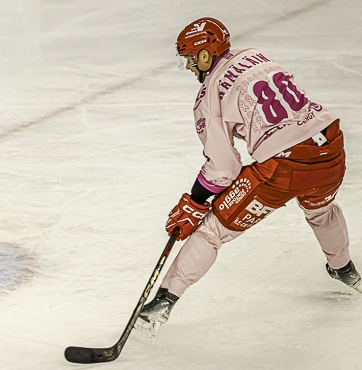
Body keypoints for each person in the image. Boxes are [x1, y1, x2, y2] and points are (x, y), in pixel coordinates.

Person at [138, 17, 356, 328]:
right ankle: (344, 269)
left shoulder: (208, 95)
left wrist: (195, 201)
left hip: (285, 164)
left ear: (203, 55)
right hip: (331, 146)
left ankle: (163, 302)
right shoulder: (254, 55)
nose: (188, 67)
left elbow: (223, 169)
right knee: (321, 210)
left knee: (212, 230)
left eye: (189, 59)